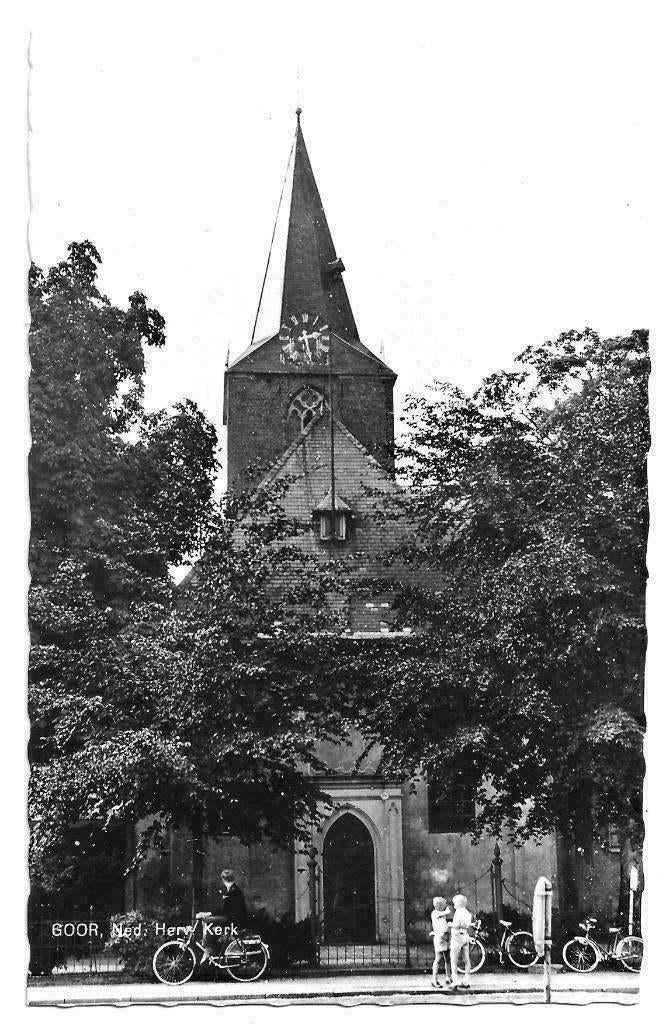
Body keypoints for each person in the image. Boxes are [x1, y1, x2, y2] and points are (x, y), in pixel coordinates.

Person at [198, 868, 248, 963]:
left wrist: (208, 913)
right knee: (211, 927)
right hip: (233, 917)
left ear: (223, 879)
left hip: (233, 919)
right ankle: (209, 948)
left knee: (207, 920)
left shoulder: (233, 891)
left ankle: (208, 948)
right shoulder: (233, 889)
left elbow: (224, 910)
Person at [446, 893, 473, 991]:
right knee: (467, 960)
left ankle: (455, 981)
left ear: (459, 903)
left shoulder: (458, 912)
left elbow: (457, 924)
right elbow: (467, 924)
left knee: (454, 960)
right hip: (465, 936)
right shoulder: (467, 913)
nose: (454, 906)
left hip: (457, 937)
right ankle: (466, 980)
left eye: (454, 904)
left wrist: (450, 924)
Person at [429, 896, 452, 987]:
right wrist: (447, 909)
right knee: (438, 959)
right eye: (442, 904)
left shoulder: (441, 914)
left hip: (444, 937)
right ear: (438, 905)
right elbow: (446, 912)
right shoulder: (435, 913)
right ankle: (434, 979)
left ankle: (448, 977)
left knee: (447, 958)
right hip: (440, 938)